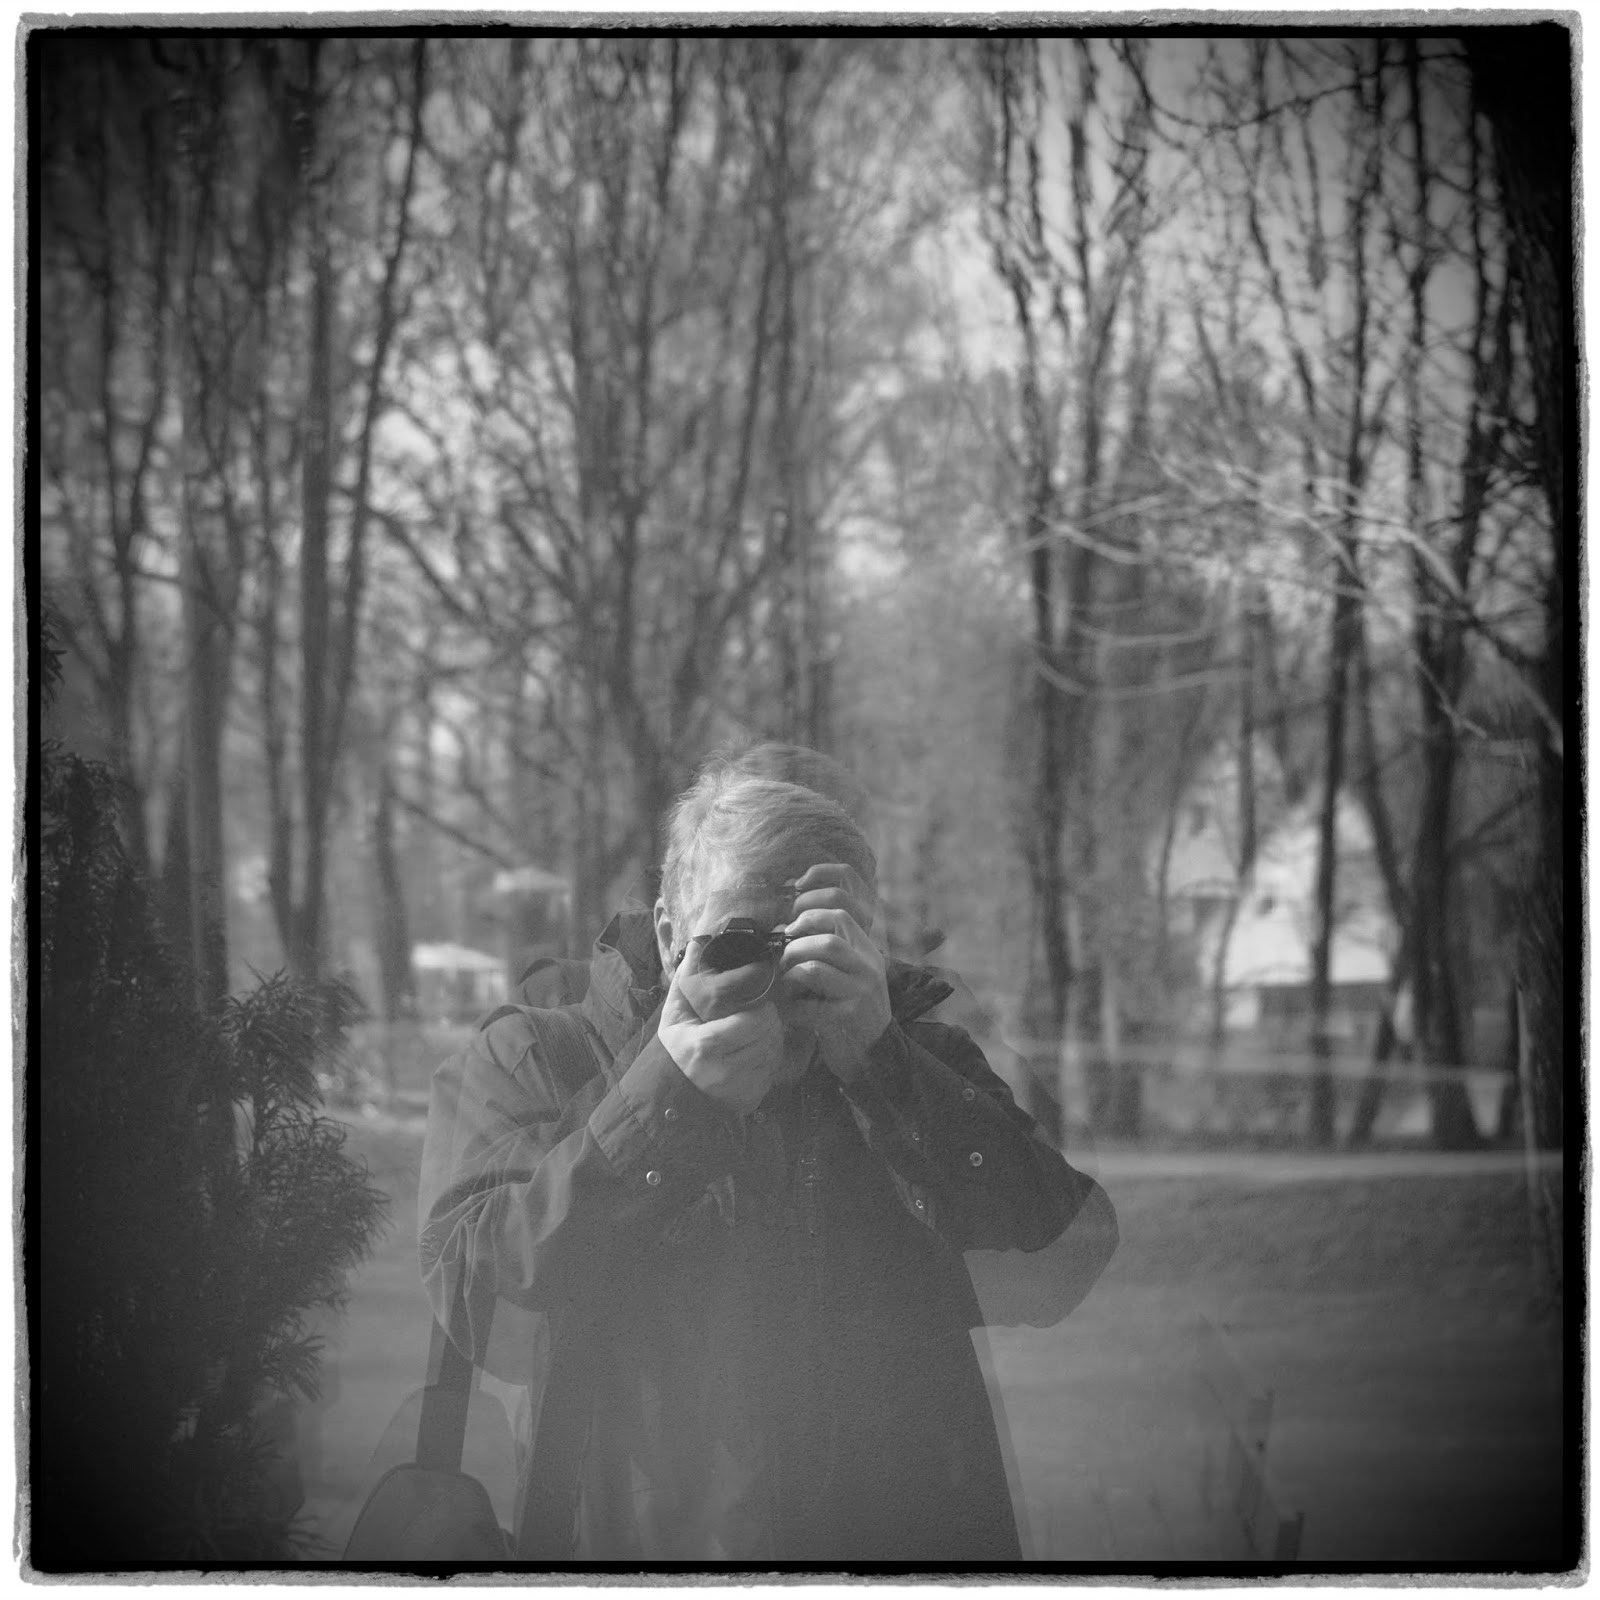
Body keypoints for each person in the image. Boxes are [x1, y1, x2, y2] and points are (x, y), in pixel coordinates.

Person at [419, 764, 1111, 1562]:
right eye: (741, 943)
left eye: (820, 943)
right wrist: (663, 1097)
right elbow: (472, 1288)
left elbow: (1062, 1258)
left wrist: (887, 1066)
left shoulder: (914, 1056)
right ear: (669, 933)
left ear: (865, 939)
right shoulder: (542, 1054)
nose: (783, 980)